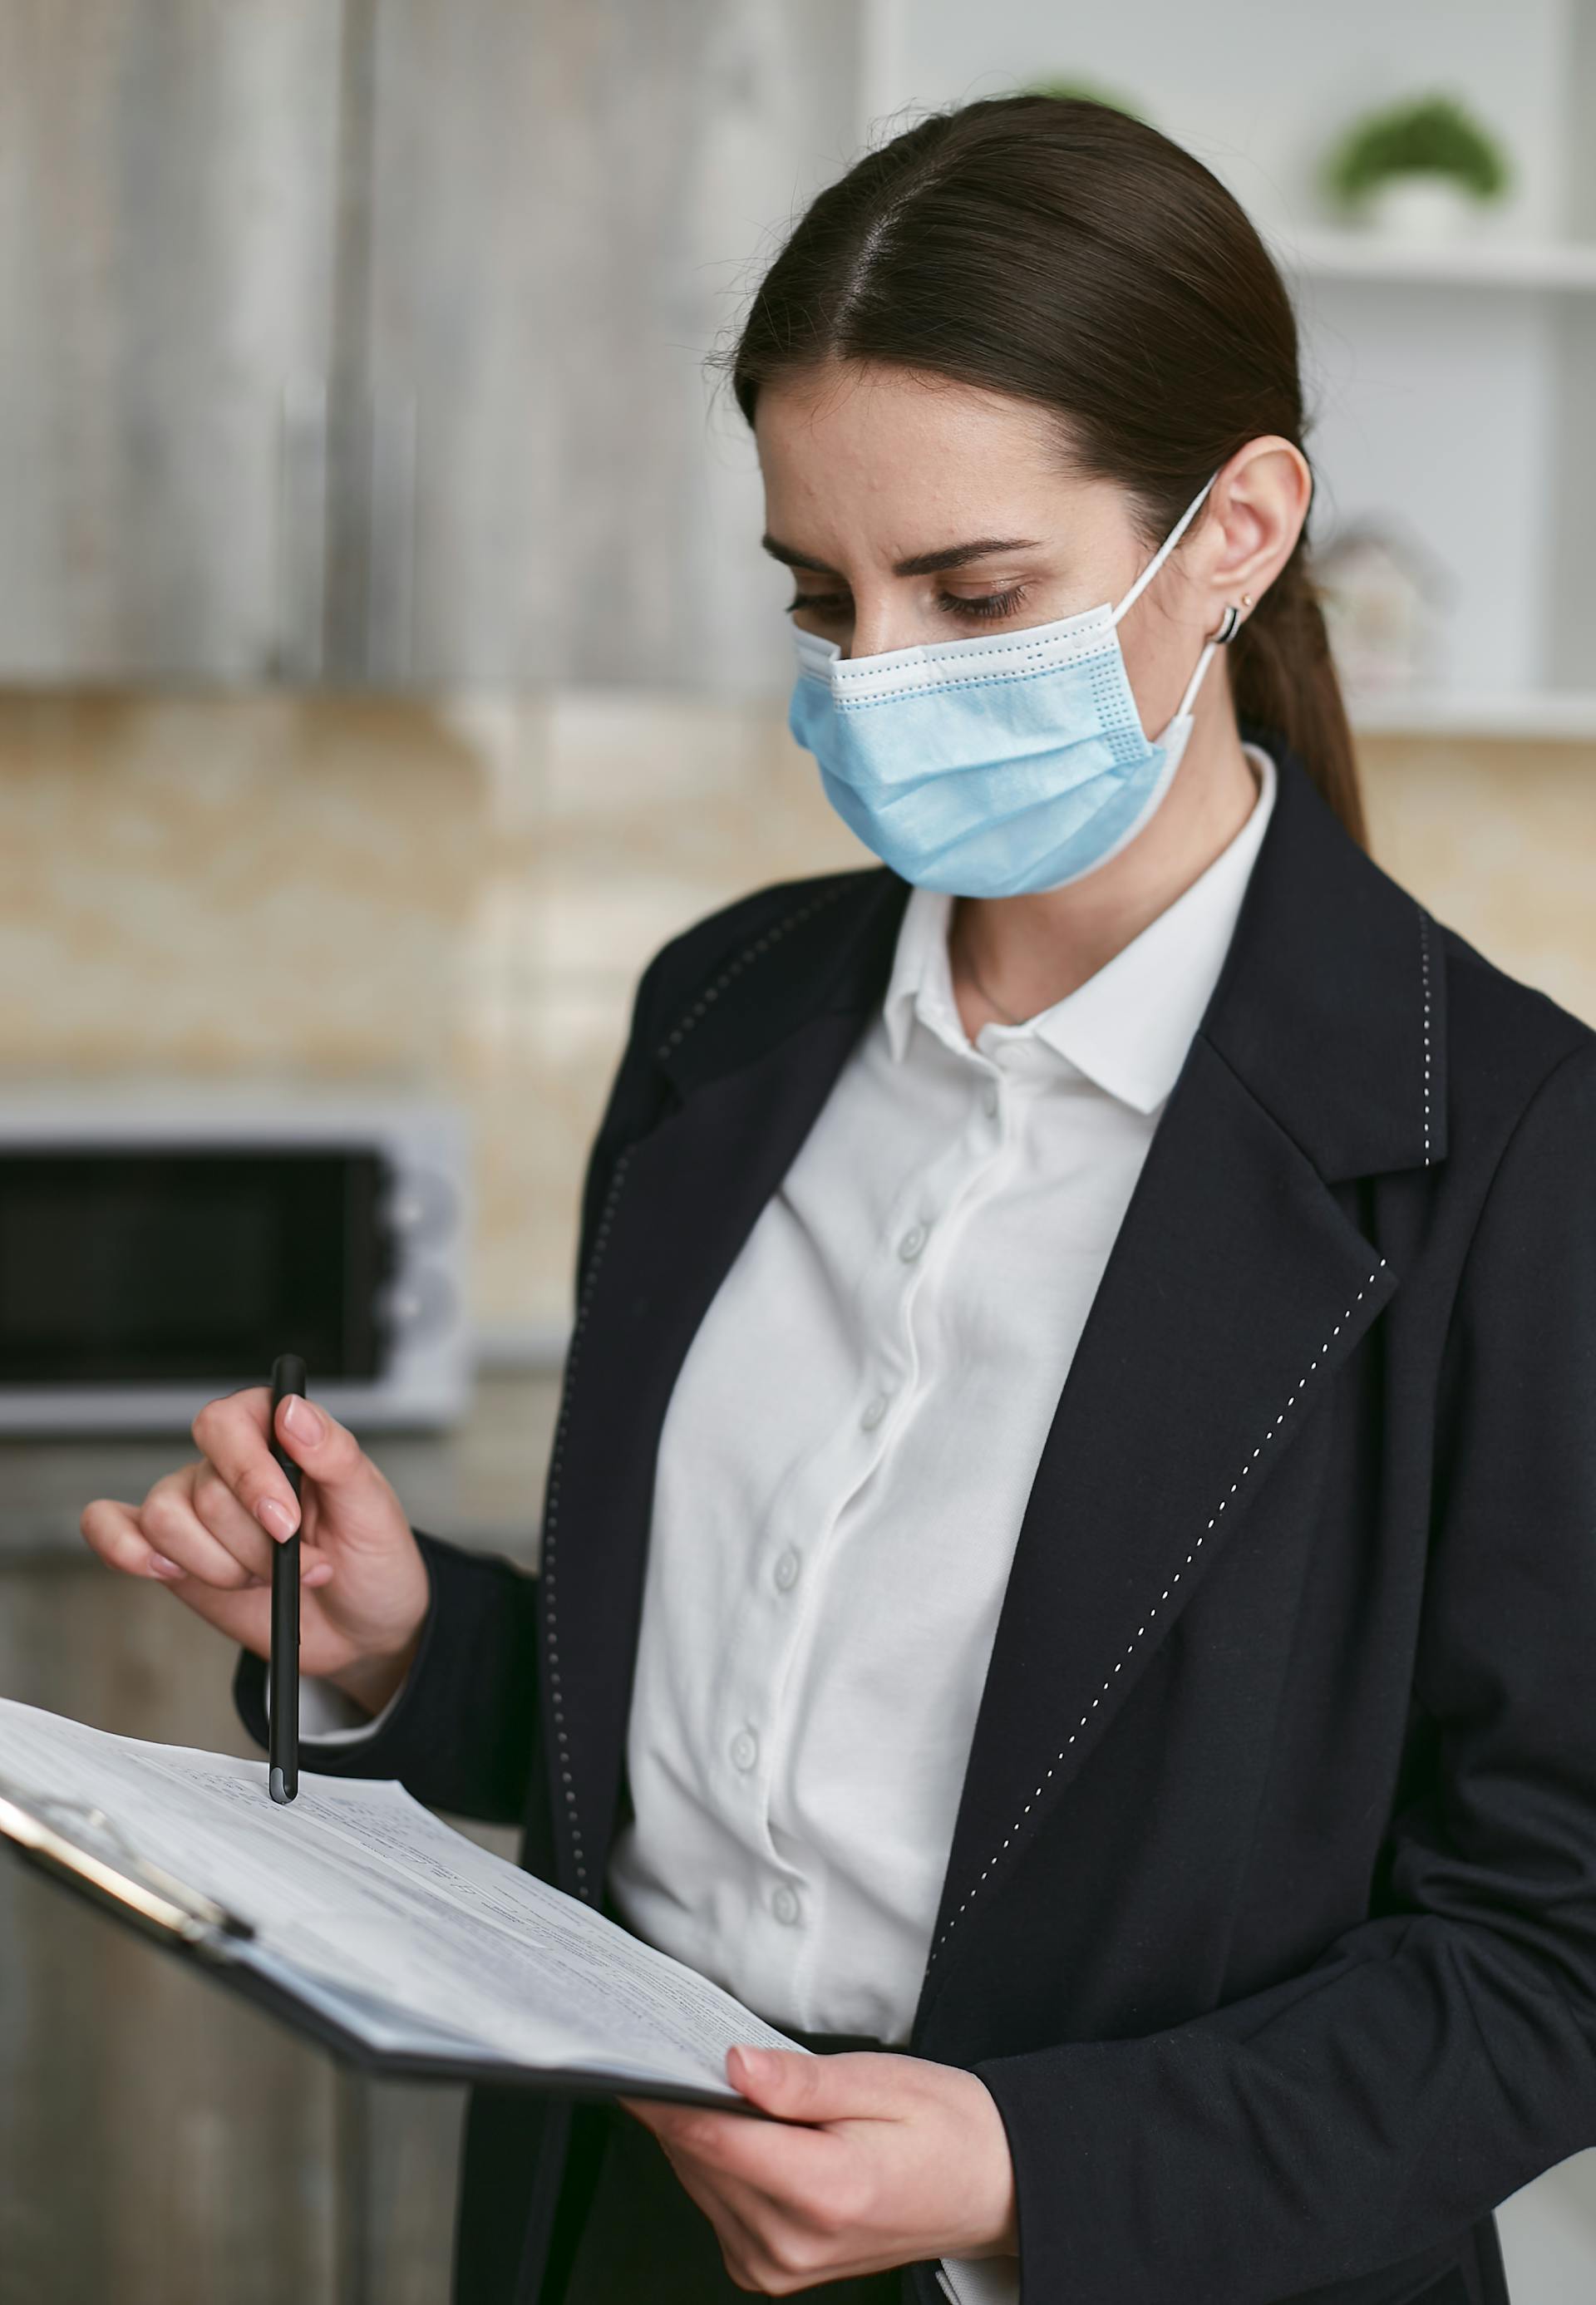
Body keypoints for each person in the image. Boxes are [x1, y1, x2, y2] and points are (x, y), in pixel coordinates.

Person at [80, 95, 1596, 2305]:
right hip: (625, 2229)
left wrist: (1016, 2169)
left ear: (1240, 531)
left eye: (973, 591)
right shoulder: (730, 1016)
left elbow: (1549, 1956)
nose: (873, 680)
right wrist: (418, 1648)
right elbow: (721, 1763)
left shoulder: (1514, 1146)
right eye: (820, 593)